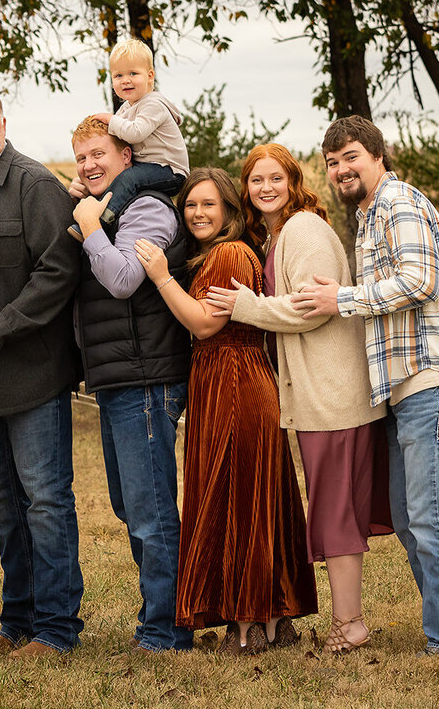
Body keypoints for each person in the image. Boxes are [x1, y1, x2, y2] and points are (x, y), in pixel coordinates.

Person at [292, 116, 439, 655]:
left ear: (378, 155)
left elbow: (418, 281)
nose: (341, 169)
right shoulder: (369, 215)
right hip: (406, 391)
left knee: (428, 516)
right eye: (332, 163)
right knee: (410, 517)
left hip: (435, 381)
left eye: (351, 156)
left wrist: (343, 298)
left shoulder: (398, 203)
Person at [204, 143, 392, 653]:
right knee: (334, 509)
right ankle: (348, 621)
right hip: (318, 395)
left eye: (275, 178)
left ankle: (349, 624)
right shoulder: (279, 235)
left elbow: (315, 307)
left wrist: (247, 306)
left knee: (334, 511)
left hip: (333, 393)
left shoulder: (304, 229)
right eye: (255, 180)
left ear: (293, 181)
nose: (265, 188)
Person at [135, 167, 317, 655]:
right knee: (253, 494)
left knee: (236, 496)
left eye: (208, 205)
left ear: (230, 211)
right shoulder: (221, 254)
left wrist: (160, 277)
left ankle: (245, 626)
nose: (197, 213)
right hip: (228, 380)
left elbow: (203, 325)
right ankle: (274, 619)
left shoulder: (229, 253)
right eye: (190, 205)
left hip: (234, 381)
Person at [0, 85, 83, 659]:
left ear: (4, 122)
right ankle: (17, 621)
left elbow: (57, 273)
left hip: (29, 370)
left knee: (45, 500)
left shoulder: (35, 185)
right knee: (1, 503)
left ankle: (56, 628)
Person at [66, 117, 193, 653]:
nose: (91, 165)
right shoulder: (111, 206)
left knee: (152, 509)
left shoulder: (146, 208)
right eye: (83, 158)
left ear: (127, 156)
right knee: (130, 504)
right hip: (118, 378)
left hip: (147, 377)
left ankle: (167, 628)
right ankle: (166, 616)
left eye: (100, 154)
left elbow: (121, 281)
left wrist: (91, 226)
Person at [68, 38, 188, 242]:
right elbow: (115, 139)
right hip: (150, 167)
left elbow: (135, 133)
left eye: (133, 73)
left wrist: (111, 119)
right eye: (119, 75)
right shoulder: (127, 108)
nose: (125, 80)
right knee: (126, 179)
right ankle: (94, 213)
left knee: (129, 179)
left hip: (169, 170)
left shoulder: (154, 104)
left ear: (150, 76)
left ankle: (103, 221)